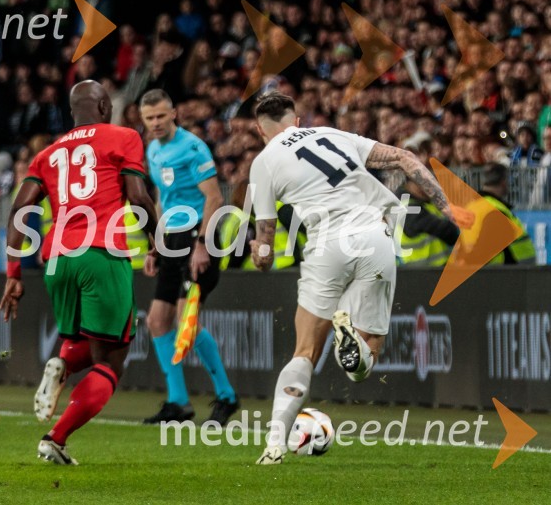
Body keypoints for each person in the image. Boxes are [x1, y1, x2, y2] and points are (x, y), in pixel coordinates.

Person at [248, 91, 454, 465]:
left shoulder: (264, 162)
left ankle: (275, 443)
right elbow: (405, 159)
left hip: (326, 245)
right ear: (296, 122)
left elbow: (265, 245)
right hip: (375, 235)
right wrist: (447, 206)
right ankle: (354, 347)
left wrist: (259, 256)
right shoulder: (332, 134)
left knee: (305, 352)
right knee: (364, 366)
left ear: (261, 131)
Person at [0, 80, 159, 465]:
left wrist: (13, 272)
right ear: (105, 106)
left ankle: (63, 364)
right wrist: (158, 242)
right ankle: (55, 437)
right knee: (111, 359)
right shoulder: (124, 137)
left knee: (82, 340)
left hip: (58, 261)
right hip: (100, 253)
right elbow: (137, 196)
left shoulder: (49, 153)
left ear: (73, 113)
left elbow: (19, 211)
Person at [139, 88, 239, 426]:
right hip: (170, 239)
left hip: (198, 235)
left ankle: (227, 396)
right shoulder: (152, 148)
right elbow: (160, 197)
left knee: (187, 324)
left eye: (160, 116)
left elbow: (214, 199)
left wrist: (202, 244)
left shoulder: (193, 147)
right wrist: (154, 245)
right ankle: (178, 402)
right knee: (156, 321)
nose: (155, 123)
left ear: (173, 114)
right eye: (149, 118)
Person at [462, 163, 535, 265]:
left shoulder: (471, 206)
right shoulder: (496, 210)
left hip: (484, 274)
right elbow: (482, 249)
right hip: (505, 275)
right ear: (504, 182)